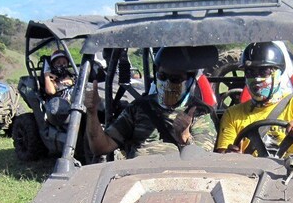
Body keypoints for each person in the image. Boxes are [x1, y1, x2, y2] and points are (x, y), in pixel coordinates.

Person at [84, 46, 217, 159]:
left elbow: (203, 162)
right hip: (137, 179)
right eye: (162, 77)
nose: (167, 84)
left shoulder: (200, 112)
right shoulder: (138, 107)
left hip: (181, 181)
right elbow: (101, 147)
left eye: (175, 79)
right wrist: (92, 113)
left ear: (189, 81)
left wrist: (184, 137)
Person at [215, 42, 293, 157]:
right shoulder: (233, 114)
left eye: (264, 71)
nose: (257, 79)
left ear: (278, 73)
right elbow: (222, 158)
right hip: (248, 179)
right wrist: (231, 156)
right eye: (250, 72)